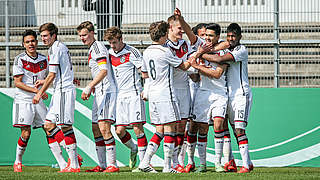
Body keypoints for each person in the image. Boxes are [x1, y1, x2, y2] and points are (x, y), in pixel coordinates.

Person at [194, 23, 254, 173]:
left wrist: (200, 53)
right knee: (227, 128)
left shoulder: (241, 50)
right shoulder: (225, 47)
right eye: (229, 36)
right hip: (227, 93)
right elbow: (217, 47)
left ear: (240, 37)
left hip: (241, 94)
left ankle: (246, 165)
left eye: (234, 36)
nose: (231, 39)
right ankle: (232, 161)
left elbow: (220, 60)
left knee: (239, 129)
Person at [136, 20, 191, 173]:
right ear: (164, 34)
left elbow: (144, 73)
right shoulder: (165, 51)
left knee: (159, 130)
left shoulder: (147, 52)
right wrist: (197, 54)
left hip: (153, 95)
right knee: (170, 129)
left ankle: (145, 162)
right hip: (166, 94)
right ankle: (168, 166)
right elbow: (185, 66)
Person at [33, 23, 82, 173]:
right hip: (60, 90)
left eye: (46, 36)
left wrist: (39, 93)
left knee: (65, 126)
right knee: (48, 125)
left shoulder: (56, 48)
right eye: (41, 36)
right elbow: (60, 71)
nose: (43, 39)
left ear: (54, 35)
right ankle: (71, 160)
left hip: (63, 91)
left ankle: (74, 164)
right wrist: (45, 81)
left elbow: (53, 74)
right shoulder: (59, 47)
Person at [77, 21, 119, 173]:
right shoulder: (91, 49)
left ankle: (112, 164)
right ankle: (102, 165)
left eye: (85, 35)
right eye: (80, 36)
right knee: (95, 129)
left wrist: (89, 86)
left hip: (107, 91)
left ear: (92, 33)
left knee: (104, 127)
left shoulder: (97, 48)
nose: (82, 38)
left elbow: (103, 71)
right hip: (99, 92)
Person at [104, 26, 148, 170]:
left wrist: (146, 89)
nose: (112, 46)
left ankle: (144, 163)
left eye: (114, 42)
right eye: (110, 43)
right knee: (119, 131)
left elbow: (144, 72)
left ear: (121, 39)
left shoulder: (132, 52)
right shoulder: (109, 53)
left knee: (137, 128)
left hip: (134, 94)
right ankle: (134, 148)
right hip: (119, 96)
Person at [189, 23, 230, 172]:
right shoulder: (202, 45)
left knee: (218, 125)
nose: (207, 38)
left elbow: (217, 73)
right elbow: (190, 33)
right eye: (206, 35)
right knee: (202, 128)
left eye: (211, 36)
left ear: (217, 37)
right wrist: (180, 20)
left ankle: (218, 163)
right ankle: (202, 164)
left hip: (219, 93)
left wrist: (198, 65)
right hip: (203, 92)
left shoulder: (224, 51)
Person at [12, 29, 50, 172]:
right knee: (26, 133)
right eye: (27, 42)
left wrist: (43, 87)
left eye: (33, 41)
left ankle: (64, 162)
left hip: (38, 98)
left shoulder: (43, 59)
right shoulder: (19, 59)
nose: (31, 44)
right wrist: (38, 91)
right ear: (23, 44)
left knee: (49, 128)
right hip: (24, 100)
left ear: (37, 42)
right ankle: (18, 161)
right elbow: (18, 82)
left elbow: (48, 77)